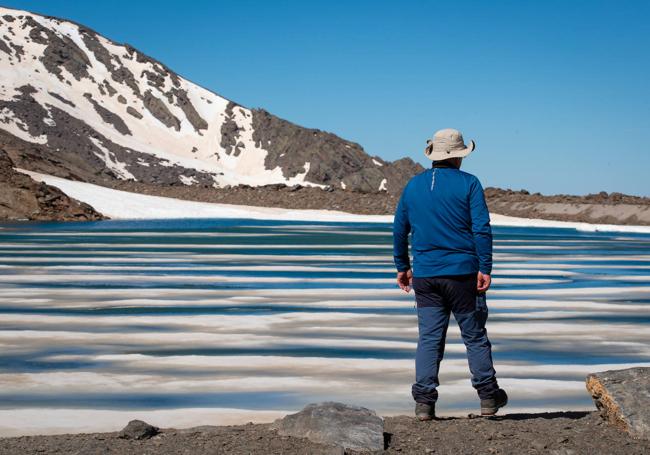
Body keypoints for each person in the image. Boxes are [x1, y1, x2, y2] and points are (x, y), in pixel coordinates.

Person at [393, 128, 507, 421]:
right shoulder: (469, 183)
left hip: (427, 276)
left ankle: (424, 404)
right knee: (474, 336)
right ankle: (488, 397)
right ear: (458, 156)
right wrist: (485, 267)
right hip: (462, 275)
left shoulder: (413, 186)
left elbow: (399, 229)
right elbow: (481, 228)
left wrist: (402, 266)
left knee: (429, 338)